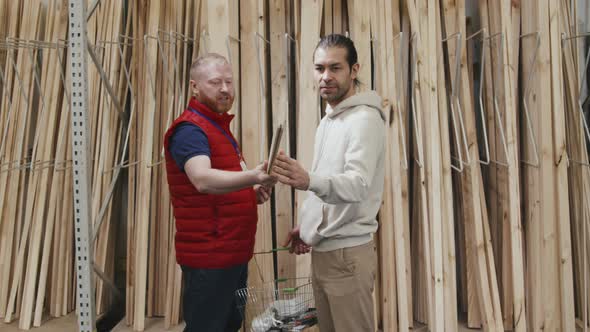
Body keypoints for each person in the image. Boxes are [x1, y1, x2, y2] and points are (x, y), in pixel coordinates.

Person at [271, 34, 386, 332]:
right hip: (325, 252)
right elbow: (330, 183)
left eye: (335, 68)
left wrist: (308, 179)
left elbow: (357, 184)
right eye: (319, 68)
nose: (326, 77)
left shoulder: (362, 120)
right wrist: (309, 225)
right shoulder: (330, 120)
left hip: (346, 257)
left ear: (355, 70)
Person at [163, 53, 276, 332]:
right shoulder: (190, 130)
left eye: (229, 81)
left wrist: (251, 192)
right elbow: (202, 179)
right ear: (194, 87)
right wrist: (253, 176)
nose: (225, 89)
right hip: (210, 257)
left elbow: (223, 185)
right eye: (215, 82)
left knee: (228, 326)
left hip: (231, 254)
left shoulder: (218, 127)